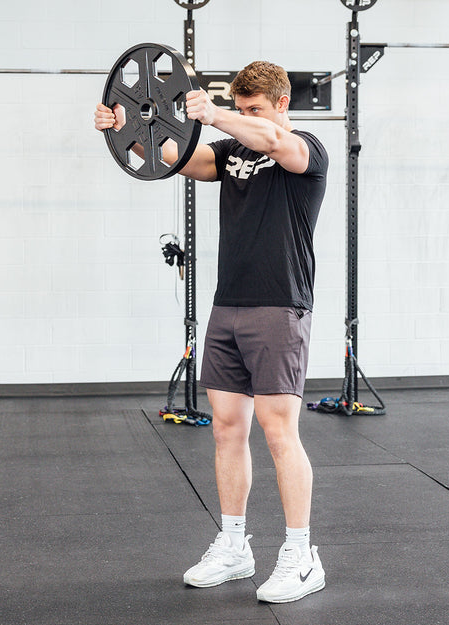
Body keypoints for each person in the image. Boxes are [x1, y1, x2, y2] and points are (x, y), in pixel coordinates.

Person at [95, 60, 328, 604]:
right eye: (239, 108)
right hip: (229, 306)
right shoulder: (234, 153)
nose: (245, 118)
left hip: (280, 305)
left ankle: (301, 553)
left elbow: (273, 141)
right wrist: (126, 128)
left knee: (278, 432)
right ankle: (234, 544)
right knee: (227, 429)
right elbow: (179, 158)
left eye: (254, 109)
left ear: (280, 106)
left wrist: (219, 114)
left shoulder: (306, 150)